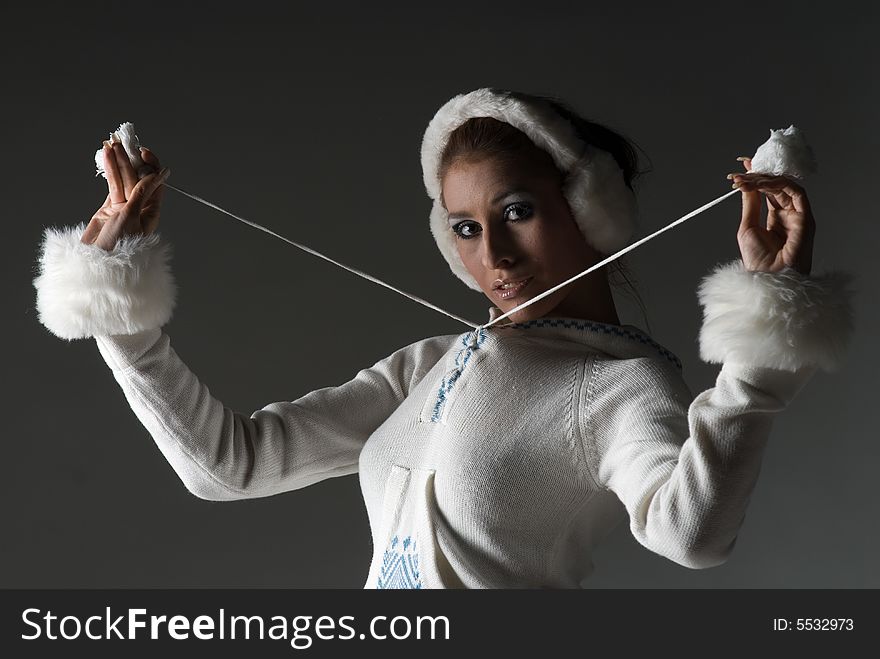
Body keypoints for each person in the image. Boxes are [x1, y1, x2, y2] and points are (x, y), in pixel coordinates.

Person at [32, 87, 853, 588]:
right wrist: (116, 300)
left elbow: (692, 534)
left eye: (518, 212)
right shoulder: (430, 364)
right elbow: (229, 467)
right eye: (465, 226)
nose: (491, 253)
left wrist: (761, 347)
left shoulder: (619, 388)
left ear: (590, 210)